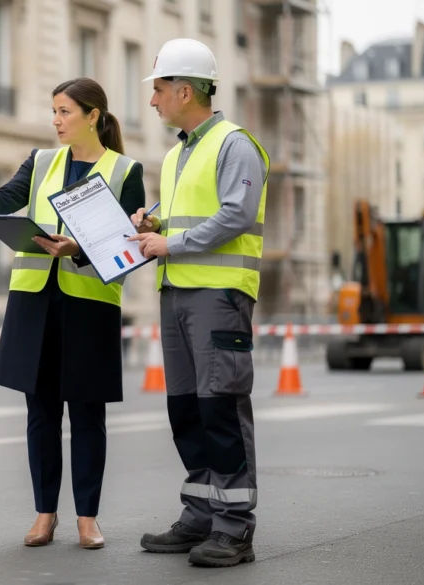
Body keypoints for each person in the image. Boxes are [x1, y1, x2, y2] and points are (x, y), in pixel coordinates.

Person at [0, 78, 145, 549]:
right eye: (53, 112)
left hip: (89, 304)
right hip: (34, 299)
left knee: (87, 414)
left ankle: (87, 518)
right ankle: (45, 514)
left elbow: (128, 246)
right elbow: (0, 202)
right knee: (39, 413)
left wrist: (76, 249)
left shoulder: (126, 171)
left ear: (92, 116)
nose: (56, 121)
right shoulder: (40, 162)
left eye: (64, 112)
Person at [128, 38, 269, 568]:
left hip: (218, 298)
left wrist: (173, 241)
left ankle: (234, 529)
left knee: (222, 407)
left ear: (185, 90)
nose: (153, 100)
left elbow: (235, 213)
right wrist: (155, 220)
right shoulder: (177, 153)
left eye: (159, 88)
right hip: (177, 293)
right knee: (186, 408)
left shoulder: (235, 144)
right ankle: (201, 513)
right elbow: (188, 213)